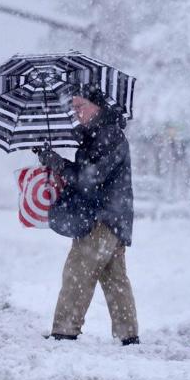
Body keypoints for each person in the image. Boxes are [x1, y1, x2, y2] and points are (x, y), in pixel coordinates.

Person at [36, 85, 138, 346]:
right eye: (74, 108)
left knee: (77, 272)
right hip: (113, 217)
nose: (76, 112)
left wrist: (58, 163)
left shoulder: (107, 136)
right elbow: (87, 175)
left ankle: (64, 331)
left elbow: (89, 179)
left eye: (80, 106)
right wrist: (55, 160)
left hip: (101, 219)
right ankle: (128, 336)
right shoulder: (100, 135)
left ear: (98, 106)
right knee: (115, 279)